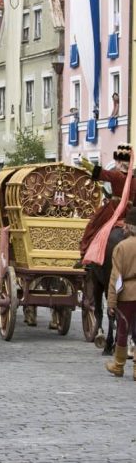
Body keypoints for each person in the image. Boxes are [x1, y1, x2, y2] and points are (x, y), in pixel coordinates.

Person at [76, 145, 136, 267]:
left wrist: (83, 161)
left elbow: (99, 173)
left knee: (93, 225)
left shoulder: (116, 175)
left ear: (119, 163)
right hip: (130, 213)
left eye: (116, 161)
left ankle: (84, 255)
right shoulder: (134, 179)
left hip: (114, 209)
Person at [106, 206, 136, 380]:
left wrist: (111, 302)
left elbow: (116, 278)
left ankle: (118, 365)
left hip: (127, 295)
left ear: (128, 226)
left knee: (123, 330)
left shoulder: (121, 247)